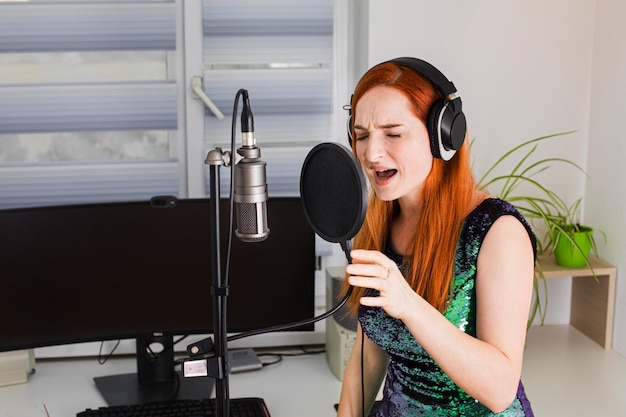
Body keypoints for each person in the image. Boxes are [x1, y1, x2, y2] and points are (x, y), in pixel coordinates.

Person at [336, 57, 536, 416]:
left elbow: (500, 388)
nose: (371, 153)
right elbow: (367, 360)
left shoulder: (499, 232)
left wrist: (409, 304)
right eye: (361, 136)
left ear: (442, 136)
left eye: (393, 134)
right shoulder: (378, 221)